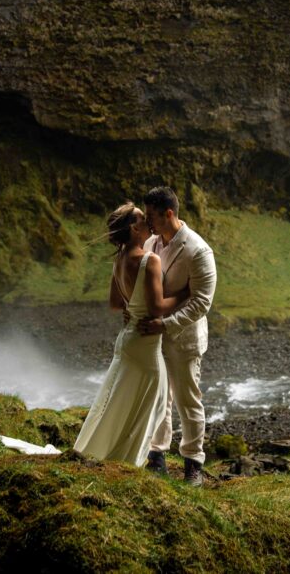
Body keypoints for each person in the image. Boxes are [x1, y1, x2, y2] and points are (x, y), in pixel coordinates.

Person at [72, 203, 187, 466]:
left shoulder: (120, 258)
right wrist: (185, 294)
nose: (147, 220)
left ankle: (112, 454)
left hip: (127, 338)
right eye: (141, 218)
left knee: (121, 401)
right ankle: (128, 460)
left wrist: (131, 308)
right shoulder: (149, 260)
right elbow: (157, 307)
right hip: (145, 343)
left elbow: (115, 303)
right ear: (135, 228)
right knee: (153, 403)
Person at [137, 187, 217, 486]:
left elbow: (201, 302)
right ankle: (157, 456)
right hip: (154, 338)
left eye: (152, 216)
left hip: (184, 338)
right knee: (160, 397)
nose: (148, 222)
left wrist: (166, 324)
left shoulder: (198, 250)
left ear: (169, 213)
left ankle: (194, 463)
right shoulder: (150, 242)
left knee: (188, 400)